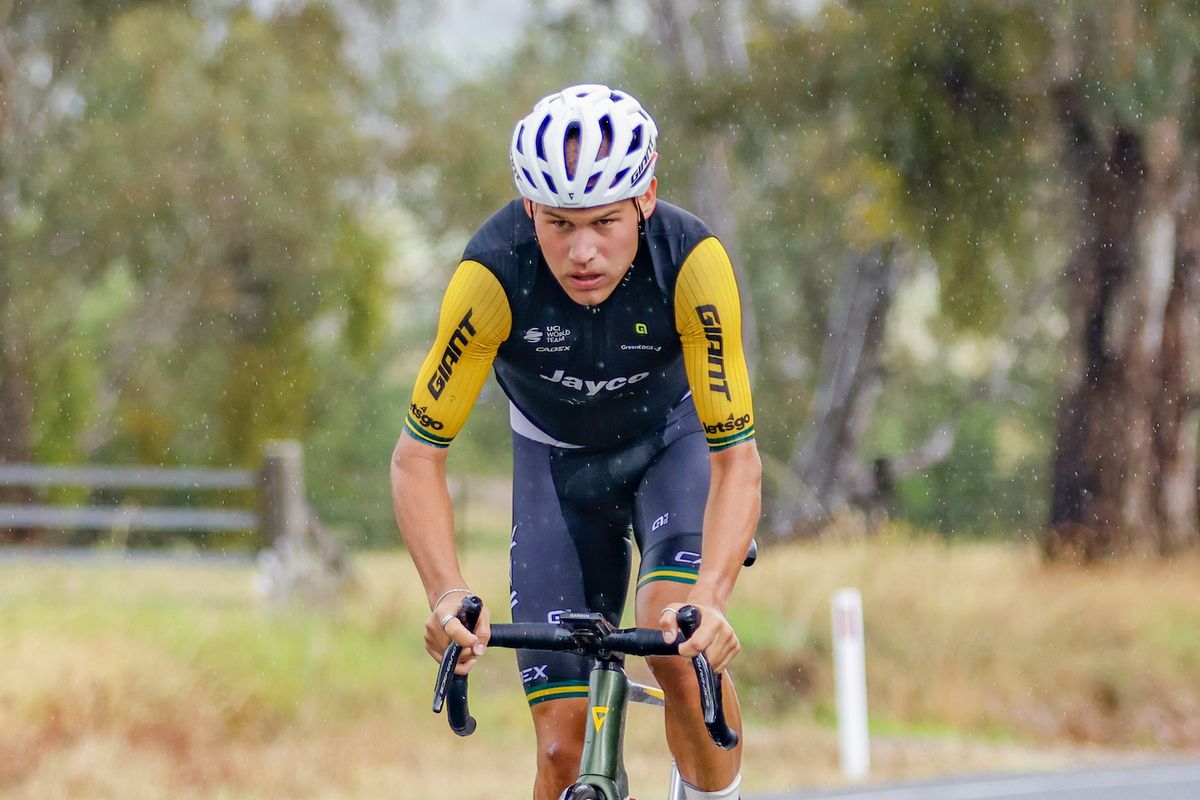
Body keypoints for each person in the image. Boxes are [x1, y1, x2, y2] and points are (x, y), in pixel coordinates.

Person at [391, 83, 761, 800]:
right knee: (562, 752)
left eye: (604, 222)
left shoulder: (693, 264)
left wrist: (712, 596)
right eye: (559, 224)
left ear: (646, 198)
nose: (582, 251)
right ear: (530, 209)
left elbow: (737, 458)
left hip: (671, 449)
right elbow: (416, 458)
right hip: (556, 468)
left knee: (678, 644)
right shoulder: (492, 273)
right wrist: (445, 595)